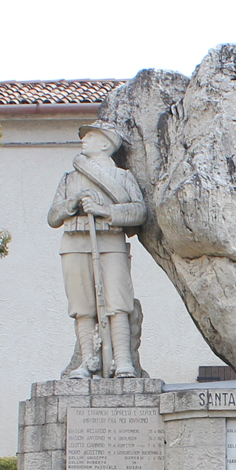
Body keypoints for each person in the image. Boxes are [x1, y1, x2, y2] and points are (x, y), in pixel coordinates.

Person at [46, 120, 146, 377]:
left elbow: (139, 211)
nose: (84, 140)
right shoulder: (69, 179)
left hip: (110, 240)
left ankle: (123, 360)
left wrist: (105, 211)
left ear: (105, 143)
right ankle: (88, 360)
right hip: (75, 242)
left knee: (117, 301)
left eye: (90, 136)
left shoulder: (122, 177)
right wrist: (72, 203)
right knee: (83, 305)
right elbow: (53, 217)